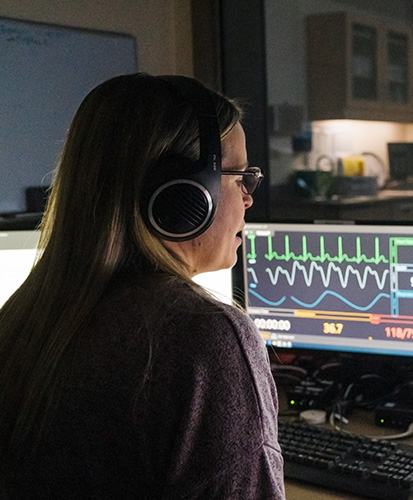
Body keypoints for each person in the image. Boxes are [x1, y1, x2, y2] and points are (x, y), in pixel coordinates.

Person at [0, 73, 284, 498]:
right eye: (240, 176)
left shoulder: (26, 317)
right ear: (184, 195)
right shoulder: (205, 336)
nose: (248, 198)